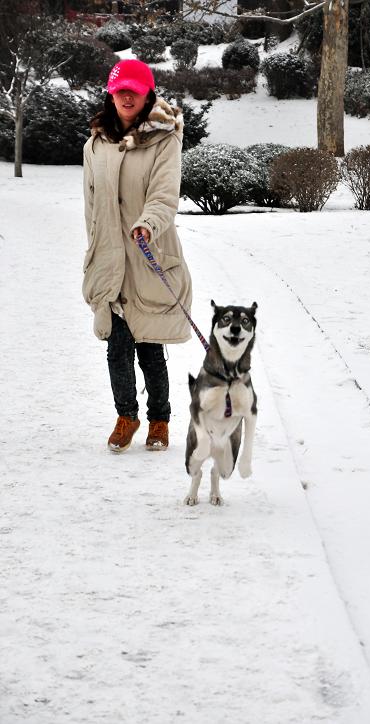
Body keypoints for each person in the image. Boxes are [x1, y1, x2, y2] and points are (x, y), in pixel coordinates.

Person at [82, 59, 192, 453]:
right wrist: (94, 251)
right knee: (116, 346)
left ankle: (159, 421)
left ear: (147, 94)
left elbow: (165, 196)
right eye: (119, 89)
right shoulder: (95, 145)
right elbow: (91, 206)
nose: (127, 95)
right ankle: (126, 416)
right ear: (110, 94)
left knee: (149, 345)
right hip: (111, 257)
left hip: (149, 254)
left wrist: (147, 223)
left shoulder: (165, 140)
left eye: (135, 88)